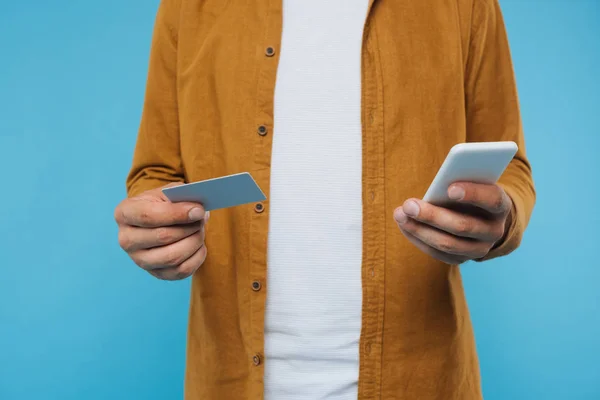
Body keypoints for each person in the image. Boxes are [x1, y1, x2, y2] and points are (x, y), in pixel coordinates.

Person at [114, 0, 536, 399]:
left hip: (419, 376)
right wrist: (155, 229)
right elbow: (156, 172)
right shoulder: (189, 6)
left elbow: (510, 166)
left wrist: (501, 218)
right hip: (230, 377)